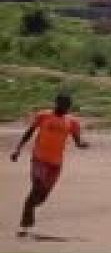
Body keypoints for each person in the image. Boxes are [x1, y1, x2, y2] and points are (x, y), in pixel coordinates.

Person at [10, 93, 89, 238]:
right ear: (56, 103)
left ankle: (29, 210)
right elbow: (29, 132)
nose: (65, 107)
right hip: (39, 159)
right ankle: (24, 224)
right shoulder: (43, 116)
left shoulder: (72, 122)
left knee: (41, 197)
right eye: (63, 104)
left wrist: (83, 144)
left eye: (68, 105)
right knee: (37, 186)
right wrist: (18, 149)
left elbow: (78, 142)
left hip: (56, 164)